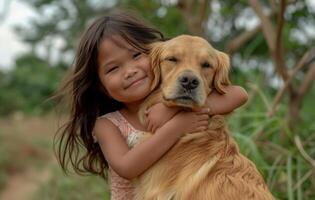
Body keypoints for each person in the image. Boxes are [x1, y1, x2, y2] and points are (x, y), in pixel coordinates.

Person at [54, 11, 248, 200]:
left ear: (152, 59)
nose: (130, 71)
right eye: (113, 68)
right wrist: (179, 124)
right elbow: (127, 167)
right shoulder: (107, 124)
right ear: (100, 86)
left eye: (137, 55)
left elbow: (238, 94)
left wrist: (172, 109)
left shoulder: (177, 98)